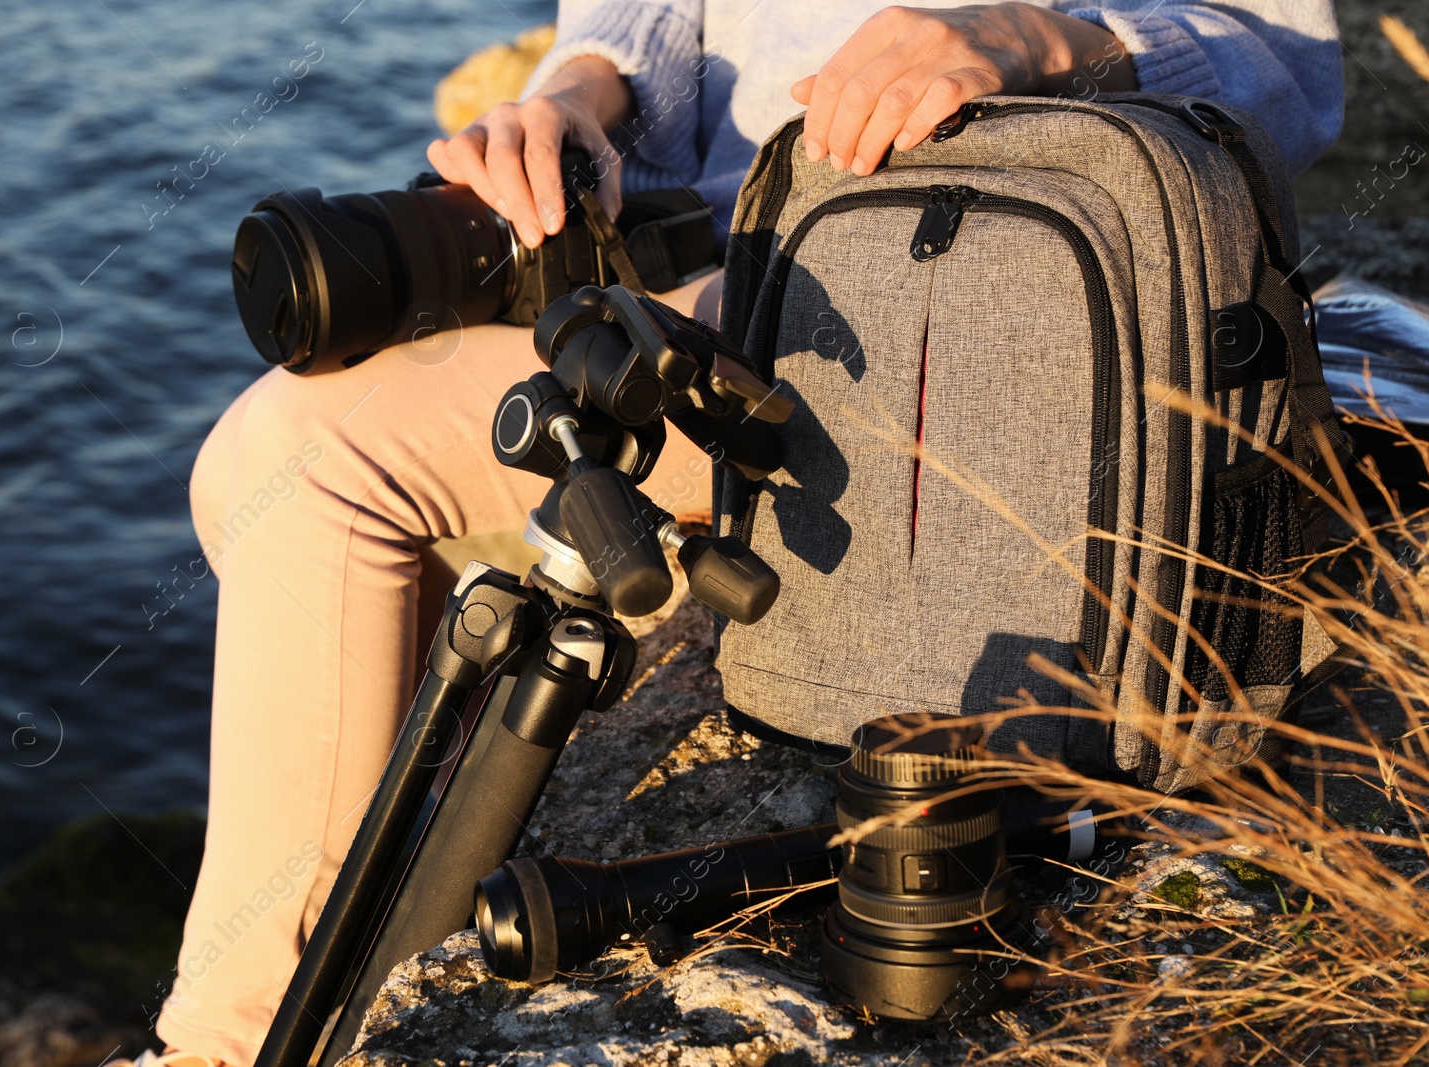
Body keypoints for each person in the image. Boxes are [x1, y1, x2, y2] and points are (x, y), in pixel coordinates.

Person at [125, 3, 1341, 1064]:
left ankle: (230, 1040)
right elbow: (650, 28)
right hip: (735, 277)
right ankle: (286, 992)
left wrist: (1033, 37)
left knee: (312, 455)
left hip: (1025, 315)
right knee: (261, 460)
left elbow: (1291, 72)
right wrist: (570, 106)